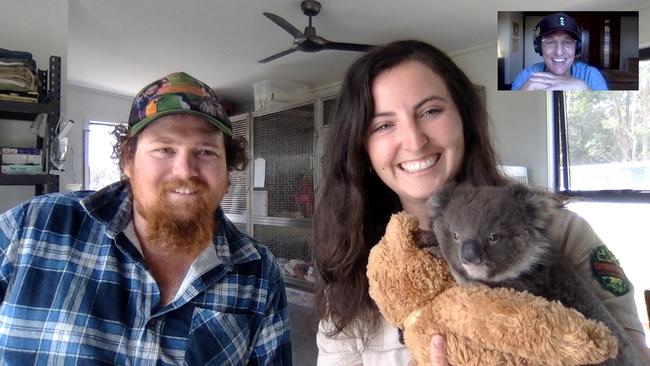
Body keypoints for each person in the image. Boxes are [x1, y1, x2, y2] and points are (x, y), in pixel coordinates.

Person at [313, 40, 648, 365]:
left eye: (430, 111)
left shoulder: (559, 230)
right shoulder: (353, 269)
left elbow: (631, 351)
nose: (414, 141)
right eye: (384, 125)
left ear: (465, 119)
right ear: (362, 148)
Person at [0, 72, 292, 364]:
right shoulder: (33, 226)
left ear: (228, 169)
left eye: (205, 152)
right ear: (129, 160)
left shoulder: (259, 273)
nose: (185, 171)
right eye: (164, 149)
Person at [511, 12, 608, 91]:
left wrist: (586, 90)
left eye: (567, 42)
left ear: (577, 48)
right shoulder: (526, 76)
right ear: (539, 47)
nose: (559, 52)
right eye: (550, 42)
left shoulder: (591, 76)